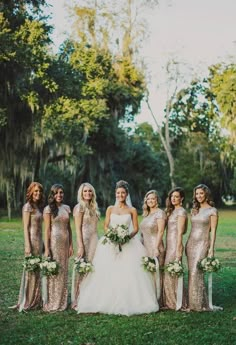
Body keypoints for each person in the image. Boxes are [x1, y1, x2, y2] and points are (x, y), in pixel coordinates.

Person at [77, 180, 159, 316]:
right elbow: (106, 226)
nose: (120, 195)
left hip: (128, 244)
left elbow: (136, 228)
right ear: (115, 194)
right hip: (111, 243)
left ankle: (131, 300)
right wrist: (113, 236)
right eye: (118, 193)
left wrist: (126, 237)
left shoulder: (132, 210)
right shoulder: (110, 209)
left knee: (129, 272)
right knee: (107, 271)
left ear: (127, 194)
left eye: (123, 193)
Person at [11, 182, 44, 311]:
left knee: (37, 271)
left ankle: (36, 298)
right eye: (35, 191)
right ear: (30, 192)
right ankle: (27, 300)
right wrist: (27, 245)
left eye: (39, 191)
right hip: (31, 241)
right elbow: (25, 228)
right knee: (30, 271)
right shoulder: (27, 207)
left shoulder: (38, 207)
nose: (38, 194)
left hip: (39, 241)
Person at [186, 184, 219, 311]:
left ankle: (198, 305)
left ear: (206, 194)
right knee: (191, 273)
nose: (199, 196)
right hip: (191, 244)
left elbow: (214, 231)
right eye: (197, 194)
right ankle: (193, 303)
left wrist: (211, 248)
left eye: (201, 193)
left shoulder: (212, 211)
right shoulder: (194, 210)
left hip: (203, 243)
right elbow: (192, 229)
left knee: (196, 272)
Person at [43, 184, 73, 312]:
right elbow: (47, 230)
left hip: (65, 243)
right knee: (55, 270)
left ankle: (62, 300)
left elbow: (69, 228)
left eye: (61, 193)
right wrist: (47, 249)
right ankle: (53, 300)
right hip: (54, 243)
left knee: (64, 270)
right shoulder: (48, 209)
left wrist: (71, 244)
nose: (59, 195)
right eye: (56, 193)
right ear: (52, 195)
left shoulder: (67, 208)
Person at [71, 182, 99, 309]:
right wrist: (80, 245)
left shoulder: (93, 207)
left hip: (94, 240)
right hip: (85, 241)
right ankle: (78, 298)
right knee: (83, 268)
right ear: (81, 194)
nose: (88, 193)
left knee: (93, 267)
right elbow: (77, 228)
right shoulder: (79, 208)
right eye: (85, 191)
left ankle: (90, 296)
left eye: (90, 191)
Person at [139, 190, 166, 307]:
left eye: (153, 199)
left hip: (155, 245)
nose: (150, 201)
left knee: (156, 272)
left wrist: (156, 247)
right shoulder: (146, 214)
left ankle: (158, 299)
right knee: (148, 273)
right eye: (148, 199)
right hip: (145, 246)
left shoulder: (160, 213)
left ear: (157, 200)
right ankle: (149, 298)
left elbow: (161, 231)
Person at [163, 187, 188, 310]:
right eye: (172, 196)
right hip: (169, 245)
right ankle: (169, 301)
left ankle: (177, 302)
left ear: (181, 198)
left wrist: (178, 249)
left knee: (174, 272)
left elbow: (179, 232)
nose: (173, 198)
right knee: (168, 272)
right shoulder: (172, 211)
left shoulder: (181, 212)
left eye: (176, 196)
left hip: (175, 245)